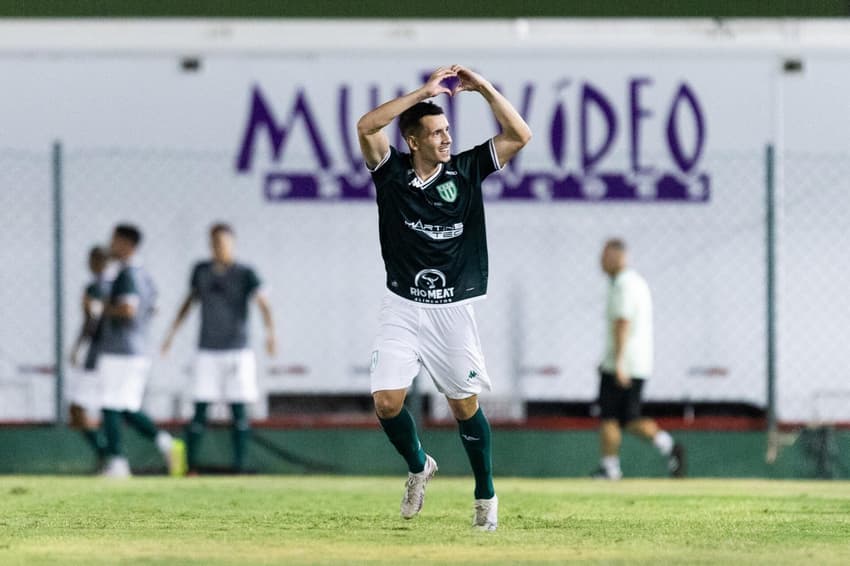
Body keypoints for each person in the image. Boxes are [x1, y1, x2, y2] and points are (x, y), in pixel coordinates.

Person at [357, 64, 531, 530]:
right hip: (402, 305)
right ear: (413, 141)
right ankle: (419, 466)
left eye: (447, 130)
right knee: (387, 402)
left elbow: (520, 134)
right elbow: (367, 126)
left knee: (463, 407)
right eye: (435, 133)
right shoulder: (390, 172)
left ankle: (485, 495)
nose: (446, 138)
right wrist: (423, 93)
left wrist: (485, 89)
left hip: (451, 310)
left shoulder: (466, 170)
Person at [161, 223, 276, 475]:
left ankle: (239, 467)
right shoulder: (200, 271)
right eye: (214, 243)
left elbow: (263, 303)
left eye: (223, 243)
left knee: (239, 408)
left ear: (232, 244)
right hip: (207, 349)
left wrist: (270, 334)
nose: (218, 247)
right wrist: (171, 334)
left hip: (237, 349)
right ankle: (189, 466)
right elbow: (189, 301)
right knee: (200, 407)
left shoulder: (246, 273)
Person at [593, 238, 686, 480]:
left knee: (609, 416)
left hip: (623, 364)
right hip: (637, 363)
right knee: (630, 419)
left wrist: (617, 363)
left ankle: (610, 468)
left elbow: (623, 322)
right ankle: (668, 446)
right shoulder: (634, 282)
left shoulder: (623, 285)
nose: (600, 262)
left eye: (604, 256)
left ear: (616, 256)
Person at [98, 224, 182, 478]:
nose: (111, 245)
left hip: (120, 349)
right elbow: (154, 307)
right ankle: (167, 443)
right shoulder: (145, 275)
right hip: (137, 347)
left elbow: (128, 309)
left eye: (115, 240)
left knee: (110, 404)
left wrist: (100, 308)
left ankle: (117, 462)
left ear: (126, 244)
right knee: (126, 406)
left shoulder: (127, 274)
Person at [68, 245, 111, 468]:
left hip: (99, 356)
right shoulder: (117, 285)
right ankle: (109, 455)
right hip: (116, 356)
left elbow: (90, 322)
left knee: (78, 408)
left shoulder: (95, 289)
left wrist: (77, 348)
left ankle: (108, 455)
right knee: (111, 407)